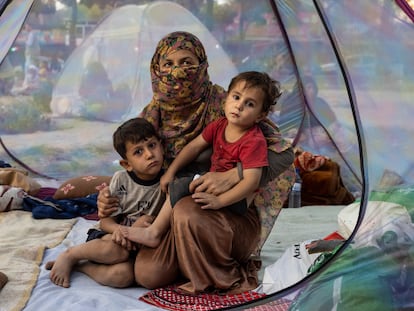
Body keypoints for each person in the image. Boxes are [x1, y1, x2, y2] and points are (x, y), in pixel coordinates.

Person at [98, 31, 295, 294]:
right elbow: (137, 169)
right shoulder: (151, 116)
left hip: (222, 214)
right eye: (168, 64)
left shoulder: (226, 107)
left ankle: (208, 269)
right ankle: (185, 258)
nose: (178, 72)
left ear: (202, 64)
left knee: (186, 209)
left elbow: (285, 154)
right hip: (170, 210)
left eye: (187, 62)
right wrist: (109, 199)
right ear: (156, 69)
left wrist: (233, 175)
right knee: (147, 274)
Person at [119, 71, 281, 248]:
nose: (239, 106)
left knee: (181, 185)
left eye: (249, 104)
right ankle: (163, 229)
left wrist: (221, 201)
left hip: (237, 198)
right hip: (215, 182)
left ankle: (154, 232)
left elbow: (251, 182)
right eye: (236, 97)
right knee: (180, 176)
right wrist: (171, 172)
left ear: (260, 115)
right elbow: (193, 147)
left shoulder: (253, 140)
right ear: (226, 98)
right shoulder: (220, 125)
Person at [46, 118, 166, 288]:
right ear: (127, 164)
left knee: (122, 276)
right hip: (109, 238)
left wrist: (135, 231)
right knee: (116, 250)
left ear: (161, 146)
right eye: (138, 152)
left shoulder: (168, 181)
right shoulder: (121, 180)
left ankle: (82, 266)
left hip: (139, 245)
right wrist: (122, 231)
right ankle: (70, 255)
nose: (149, 154)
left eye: (152, 145)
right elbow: (106, 221)